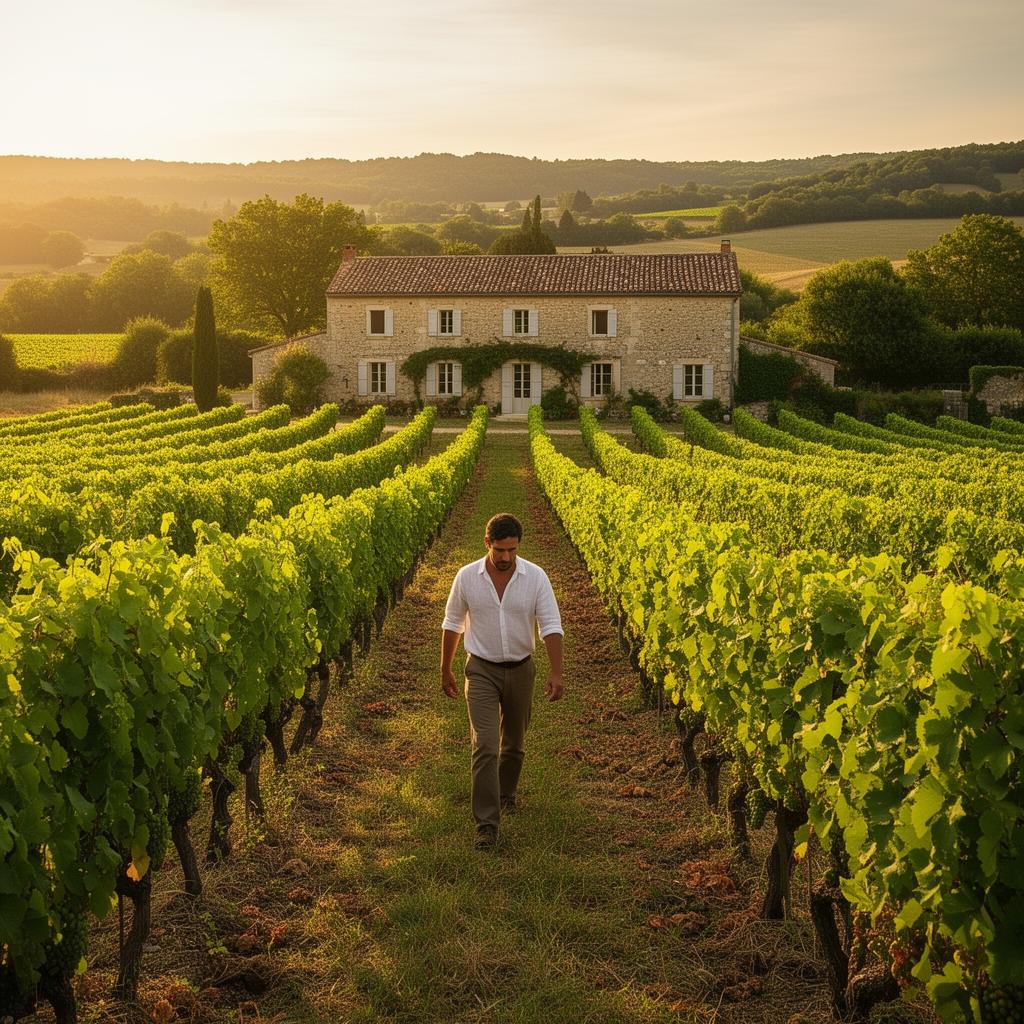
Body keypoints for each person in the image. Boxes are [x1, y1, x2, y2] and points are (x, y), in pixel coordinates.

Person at [441, 512, 563, 849]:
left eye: (512, 549)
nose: (506, 556)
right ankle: (486, 824)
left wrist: (556, 671)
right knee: (485, 744)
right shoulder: (467, 577)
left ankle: (506, 794)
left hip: (521, 669)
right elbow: (452, 623)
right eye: (500, 550)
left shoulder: (535, 577)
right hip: (481, 669)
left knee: (514, 743)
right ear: (487, 543)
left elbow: (550, 624)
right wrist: (445, 668)